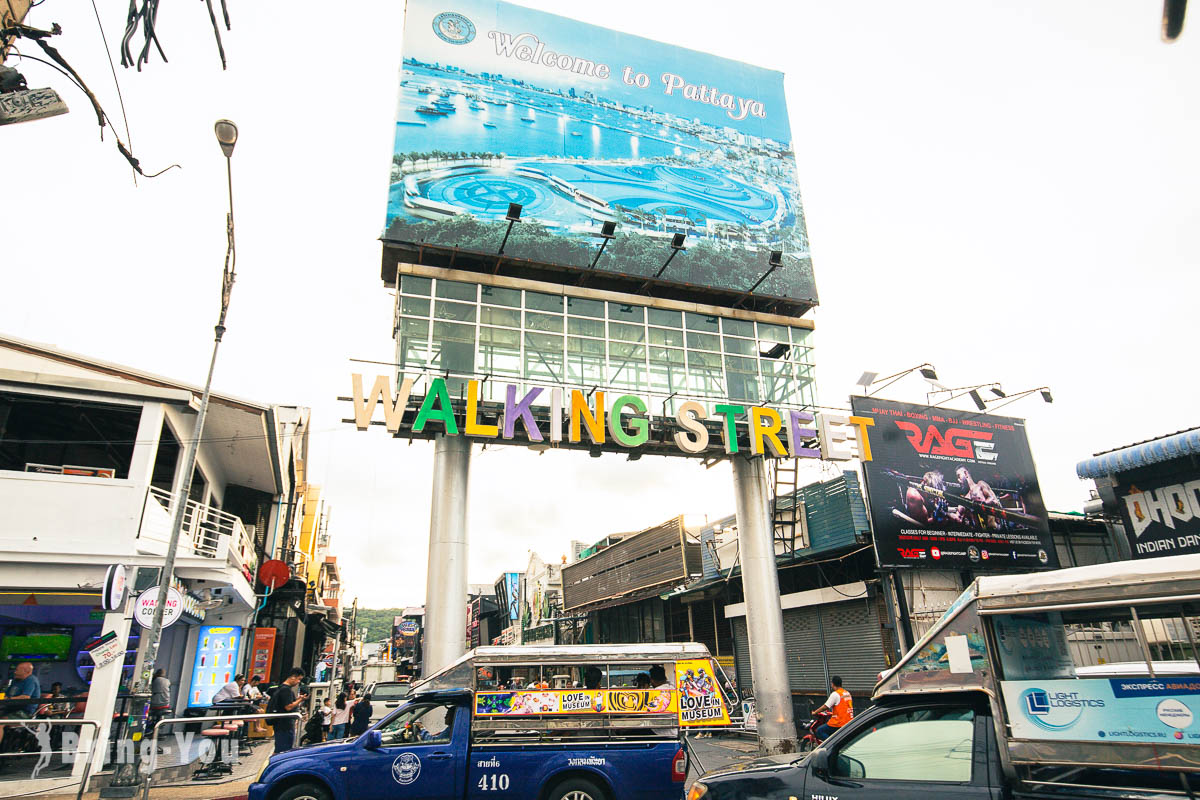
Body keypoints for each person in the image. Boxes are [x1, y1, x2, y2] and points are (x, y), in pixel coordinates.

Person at [0, 661, 41, 749]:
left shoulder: (31, 680)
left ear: (26, 671)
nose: (14, 672)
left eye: (17, 670)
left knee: (0, 723)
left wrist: (8, 699)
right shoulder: (16, 680)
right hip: (10, 709)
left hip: (24, 712)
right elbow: (6, 695)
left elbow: (25, 697)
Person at [266, 668, 308, 753]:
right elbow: (288, 706)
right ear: (293, 677)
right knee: (283, 750)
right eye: (298, 679)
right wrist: (300, 700)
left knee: (280, 748)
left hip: (280, 724)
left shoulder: (281, 688)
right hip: (284, 725)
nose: (299, 682)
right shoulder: (286, 690)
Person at [815, 676, 853, 742]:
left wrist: (815, 712)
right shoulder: (847, 693)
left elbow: (825, 706)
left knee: (819, 730)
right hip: (849, 721)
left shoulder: (835, 694)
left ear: (832, 684)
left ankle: (832, 744)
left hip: (839, 723)